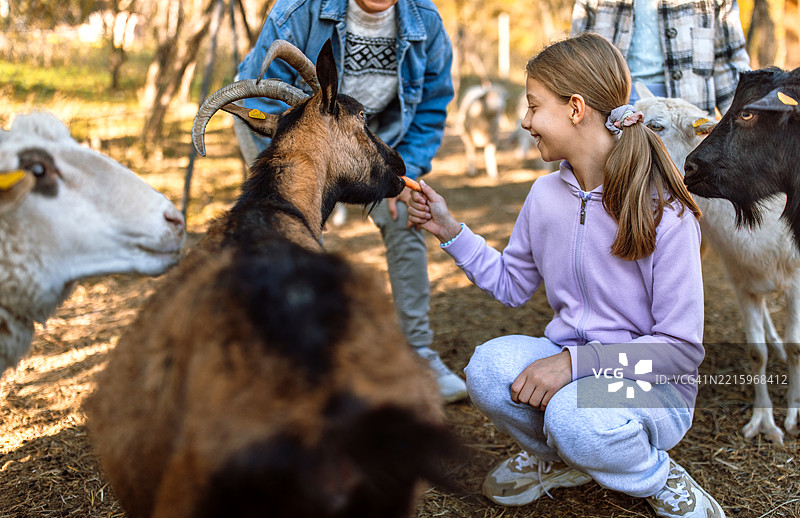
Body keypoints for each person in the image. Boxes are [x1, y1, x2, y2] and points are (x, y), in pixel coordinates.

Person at [408, 33, 723, 517]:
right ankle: (559, 458)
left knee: (575, 413)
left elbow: (679, 351)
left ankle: (656, 476)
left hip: (652, 387)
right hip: (574, 371)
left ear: (576, 108)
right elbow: (513, 284)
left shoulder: (665, 209)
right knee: (488, 370)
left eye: (534, 106)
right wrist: (449, 230)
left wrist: (576, 365)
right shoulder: (545, 196)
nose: (524, 120)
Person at [233, 0, 467, 403]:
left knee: (404, 218)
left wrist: (408, 163)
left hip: (377, 138)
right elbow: (260, 93)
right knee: (283, 232)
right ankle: (268, 354)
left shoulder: (424, 21)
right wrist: (306, 165)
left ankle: (419, 353)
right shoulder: (296, 12)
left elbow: (431, 102)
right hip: (304, 138)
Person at [571, 0, 751, 113]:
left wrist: (746, 121)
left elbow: (728, 64)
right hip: (616, 111)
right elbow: (577, 60)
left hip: (686, 116)